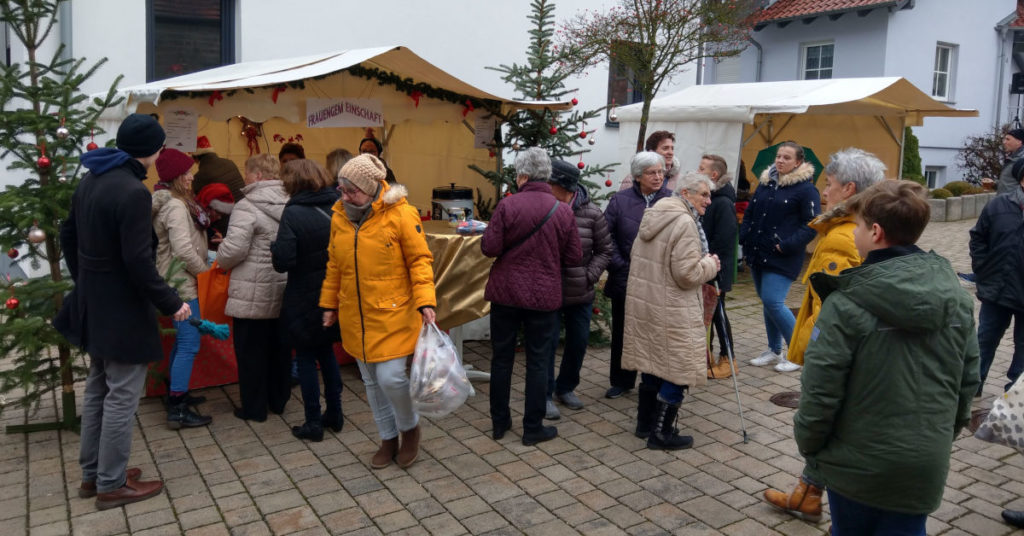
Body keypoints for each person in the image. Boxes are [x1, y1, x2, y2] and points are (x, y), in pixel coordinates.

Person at [789, 180, 978, 535]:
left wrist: (810, 444)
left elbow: (820, 388)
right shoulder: (957, 299)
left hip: (855, 463)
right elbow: (968, 381)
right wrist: (940, 437)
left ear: (875, 232)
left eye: (857, 225)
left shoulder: (845, 304)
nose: (854, 232)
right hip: (924, 460)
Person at [55, 113, 190, 510]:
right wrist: (172, 302)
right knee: (121, 397)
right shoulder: (132, 192)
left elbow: (67, 234)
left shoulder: (92, 178)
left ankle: (93, 473)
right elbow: (138, 262)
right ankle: (111, 484)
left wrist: (87, 279)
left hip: (95, 302)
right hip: (122, 310)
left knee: (99, 387)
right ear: (153, 151)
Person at [761, 148, 887, 520]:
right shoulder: (856, 230)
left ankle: (817, 497)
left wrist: (816, 352)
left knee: (825, 423)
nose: (823, 192)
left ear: (848, 189)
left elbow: (832, 309)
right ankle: (808, 493)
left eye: (828, 185)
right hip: (846, 351)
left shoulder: (842, 239)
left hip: (832, 353)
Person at [320, 154, 436, 468]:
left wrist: (426, 301)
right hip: (355, 315)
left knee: (391, 377)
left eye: (351, 190)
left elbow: (420, 261)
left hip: (393, 312)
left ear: (371, 189)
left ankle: (409, 428)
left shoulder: (401, 214)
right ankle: (387, 437)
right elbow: (334, 266)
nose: (344, 196)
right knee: (371, 382)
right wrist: (329, 305)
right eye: (341, 189)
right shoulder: (339, 217)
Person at [482, 148, 581, 446]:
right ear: (547, 175)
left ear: (523, 175)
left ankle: (500, 423)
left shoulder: (507, 206)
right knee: (539, 362)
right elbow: (574, 257)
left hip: (506, 294)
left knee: (502, 359)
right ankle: (533, 427)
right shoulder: (562, 210)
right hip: (543, 296)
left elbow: (489, 248)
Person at [623, 171, 719, 450]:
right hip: (673, 306)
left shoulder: (655, 213)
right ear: (686, 194)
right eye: (703, 194)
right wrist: (711, 264)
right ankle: (662, 433)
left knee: (654, 362)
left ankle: (645, 425)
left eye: (709, 194)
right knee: (680, 368)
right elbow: (687, 274)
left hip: (648, 302)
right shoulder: (685, 222)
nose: (709, 201)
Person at [271, 159, 344, 442]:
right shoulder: (338, 205)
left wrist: (274, 248)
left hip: (303, 294)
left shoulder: (293, 213)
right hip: (333, 291)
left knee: (305, 357)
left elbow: (283, 261)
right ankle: (335, 413)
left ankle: (313, 421)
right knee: (326, 353)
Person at [217, 153, 290, 422]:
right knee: (278, 350)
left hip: (251, 294)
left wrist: (221, 254)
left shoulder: (246, 206)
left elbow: (234, 250)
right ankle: (279, 400)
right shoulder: (290, 201)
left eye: (247, 173)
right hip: (281, 288)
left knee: (251, 355)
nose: (244, 178)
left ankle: (255, 409)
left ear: (258, 175)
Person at [739, 141, 820, 370]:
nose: (780, 161)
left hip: (782, 255)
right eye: (778, 156)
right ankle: (774, 350)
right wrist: (744, 236)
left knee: (774, 302)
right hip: (757, 252)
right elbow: (751, 213)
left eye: (786, 157)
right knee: (767, 302)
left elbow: (812, 224)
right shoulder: (766, 183)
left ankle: (797, 353)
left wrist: (786, 245)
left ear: (798, 162)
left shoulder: (806, 189)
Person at [151, 148, 213, 429]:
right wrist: (205, 273)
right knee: (190, 343)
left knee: (183, 340)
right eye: (187, 172)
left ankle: (177, 391)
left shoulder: (176, 202)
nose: (191, 176)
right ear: (177, 177)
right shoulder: (175, 206)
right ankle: (177, 407)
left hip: (179, 279)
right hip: (182, 282)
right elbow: (182, 250)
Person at [545, 160, 612, 418]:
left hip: (580, 291)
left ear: (565, 187)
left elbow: (605, 250)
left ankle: (566, 387)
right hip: (549, 290)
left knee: (578, 341)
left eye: (550, 184)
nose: (546, 188)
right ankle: (545, 394)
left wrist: (589, 275)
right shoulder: (544, 209)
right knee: (547, 344)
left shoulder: (592, 213)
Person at [604, 151, 673, 399]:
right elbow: (605, 236)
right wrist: (621, 265)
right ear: (637, 176)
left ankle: (652, 380)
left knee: (654, 331)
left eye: (661, 172)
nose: (658, 177)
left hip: (658, 280)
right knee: (623, 331)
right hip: (625, 277)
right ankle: (621, 380)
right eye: (652, 172)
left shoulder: (671, 200)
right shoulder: (620, 201)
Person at [969, 157, 1024, 397]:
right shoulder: (998, 205)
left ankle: (1015, 394)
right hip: (996, 289)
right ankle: (973, 387)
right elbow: (978, 237)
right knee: (985, 340)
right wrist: (983, 268)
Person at [697, 154, 738, 379]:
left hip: (716, 269)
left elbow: (723, 240)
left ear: (714, 175)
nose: (697, 170)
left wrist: (713, 268)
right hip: (706, 267)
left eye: (701, 168)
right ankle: (707, 357)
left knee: (719, 315)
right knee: (708, 316)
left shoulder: (722, 202)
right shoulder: (710, 197)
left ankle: (729, 359)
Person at [191, 135, 246, 203]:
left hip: (229, 211)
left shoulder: (199, 177)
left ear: (195, 158)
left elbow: (199, 201)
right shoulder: (229, 163)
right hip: (245, 204)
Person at [989, 128, 1024, 194]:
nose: (1004, 142)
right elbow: (1010, 183)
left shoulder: (1021, 161)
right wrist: (993, 184)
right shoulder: (1011, 157)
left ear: (1019, 141)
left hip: (1013, 203)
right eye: (1005, 139)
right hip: (1005, 202)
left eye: (1008, 139)